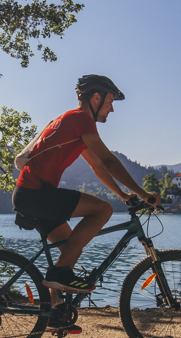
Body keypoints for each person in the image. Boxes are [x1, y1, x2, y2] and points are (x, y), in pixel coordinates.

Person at [13, 74, 160, 303]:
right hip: (37, 193)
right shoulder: (82, 119)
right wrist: (143, 194)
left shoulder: (71, 122)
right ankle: (58, 275)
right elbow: (109, 161)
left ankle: (54, 309)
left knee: (71, 247)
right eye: (110, 102)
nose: (111, 110)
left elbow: (97, 166)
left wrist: (122, 195)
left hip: (31, 194)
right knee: (102, 210)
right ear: (96, 97)